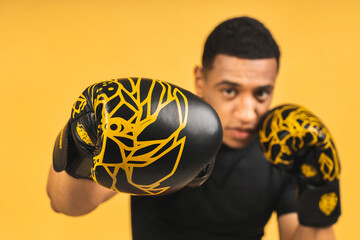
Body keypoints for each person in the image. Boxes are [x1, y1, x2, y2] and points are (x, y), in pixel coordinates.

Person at [47, 16, 339, 239]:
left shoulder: (281, 147)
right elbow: (65, 204)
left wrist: (321, 186)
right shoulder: (162, 128)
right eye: (230, 91)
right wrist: (81, 140)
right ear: (201, 80)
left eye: (261, 93)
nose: (248, 112)